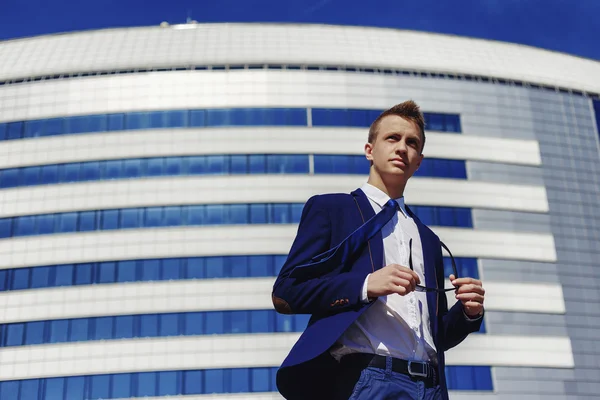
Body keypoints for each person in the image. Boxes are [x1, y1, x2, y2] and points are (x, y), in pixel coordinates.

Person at [271, 100, 485, 400]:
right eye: (392, 138)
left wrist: (468, 314)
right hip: (367, 379)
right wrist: (366, 285)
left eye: (412, 143)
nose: (402, 148)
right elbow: (287, 291)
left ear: (419, 161)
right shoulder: (332, 209)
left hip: (432, 387)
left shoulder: (429, 240)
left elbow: (435, 335)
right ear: (369, 150)